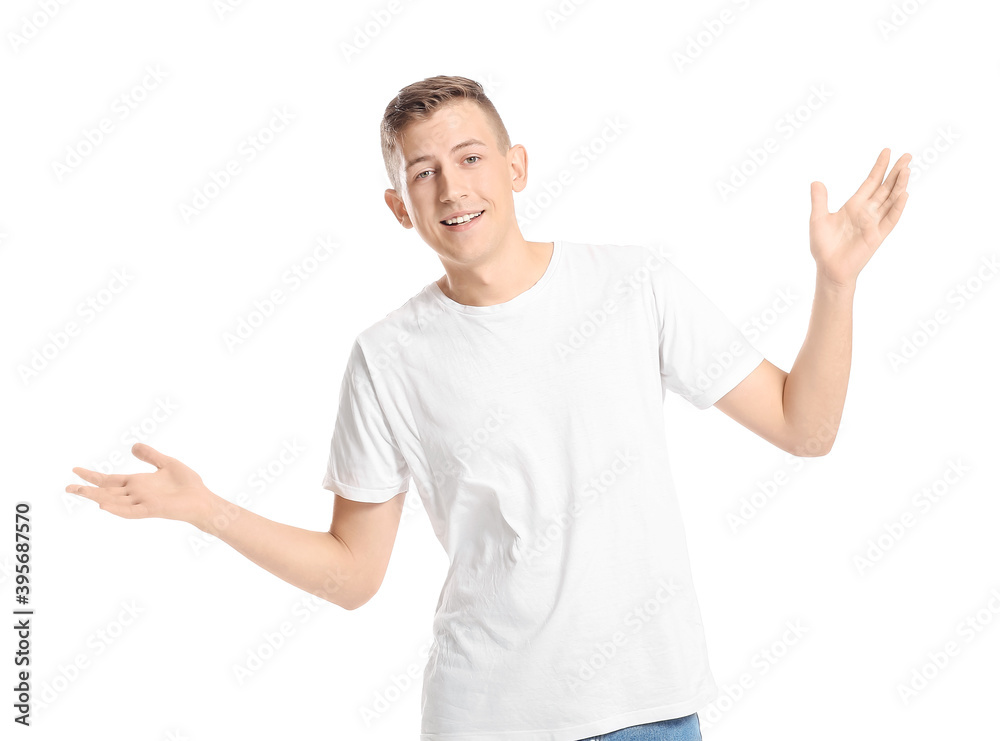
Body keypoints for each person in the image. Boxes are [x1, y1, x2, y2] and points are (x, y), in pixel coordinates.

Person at [66, 75, 911, 741]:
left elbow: (807, 428)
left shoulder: (635, 286)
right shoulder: (387, 358)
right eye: (422, 172)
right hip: (488, 717)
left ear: (516, 168)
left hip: (649, 712)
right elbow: (355, 575)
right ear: (400, 207)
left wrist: (836, 283)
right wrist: (208, 510)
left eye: (470, 158)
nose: (451, 187)